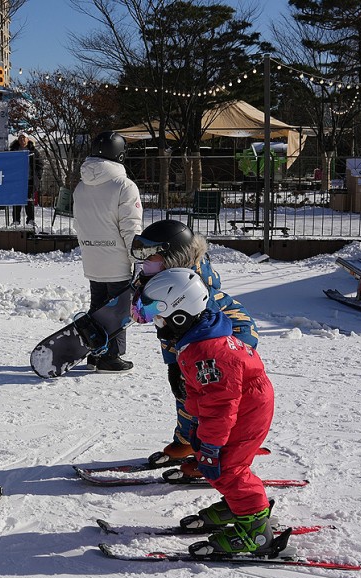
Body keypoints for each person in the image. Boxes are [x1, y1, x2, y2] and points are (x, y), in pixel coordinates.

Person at [133, 268, 275, 555]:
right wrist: (199, 430)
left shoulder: (208, 353)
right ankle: (239, 505)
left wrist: (210, 443)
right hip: (244, 403)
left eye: (155, 314)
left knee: (227, 468)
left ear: (180, 314)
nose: (154, 323)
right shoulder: (201, 334)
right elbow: (206, 397)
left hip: (245, 409)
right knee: (215, 462)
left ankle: (256, 530)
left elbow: (220, 406)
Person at [129, 220, 259, 464]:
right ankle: (187, 441)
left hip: (228, 343)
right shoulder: (162, 280)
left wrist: (183, 365)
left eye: (151, 256)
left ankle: (216, 453)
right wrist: (173, 365)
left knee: (213, 400)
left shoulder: (190, 288)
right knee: (186, 394)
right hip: (195, 344)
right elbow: (169, 332)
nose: (145, 261)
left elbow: (188, 330)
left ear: (172, 257)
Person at [72, 131, 143, 372]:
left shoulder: (81, 187)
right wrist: (138, 259)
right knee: (118, 310)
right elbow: (131, 227)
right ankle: (111, 356)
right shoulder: (124, 186)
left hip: (92, 257)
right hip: (117, 259)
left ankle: (96, 351)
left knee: (98, 306)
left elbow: (79, 224)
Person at [9, 132, 44, 225]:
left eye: (24, 138)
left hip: (29, 180)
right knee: (16, 201)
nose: (22, 140)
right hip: (17, 180)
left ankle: (30, 220)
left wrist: (37, 177)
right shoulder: (13, 150)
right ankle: (16, 220)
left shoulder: (33, 151)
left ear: (28, 139)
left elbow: (40, 165)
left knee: (29, 201)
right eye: (20, 138)